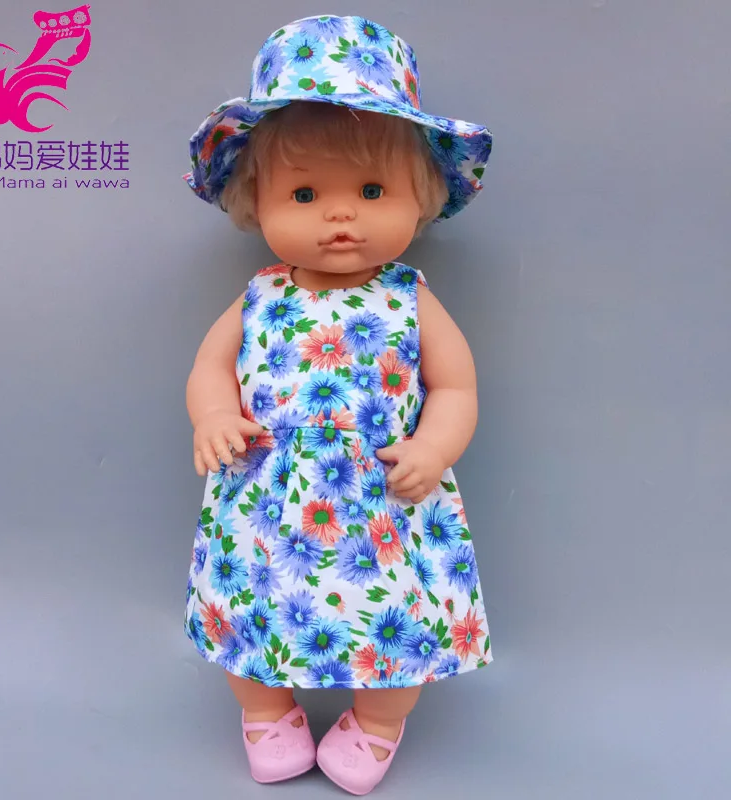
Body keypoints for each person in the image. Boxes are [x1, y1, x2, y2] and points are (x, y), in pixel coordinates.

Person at [182, 14, 494, 795]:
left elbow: (456, 385)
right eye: (304, 193)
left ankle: (378, 722)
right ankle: (266, 714)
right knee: (246, 607)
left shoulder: (409, 298)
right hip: (267, 495)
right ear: (255, 202)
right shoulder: (261, 295)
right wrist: (214, 416)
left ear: (421, 198)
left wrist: (434, 448)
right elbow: (210, 366)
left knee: (399, 625)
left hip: (383, 499)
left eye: (372, 191)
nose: (340, 214)